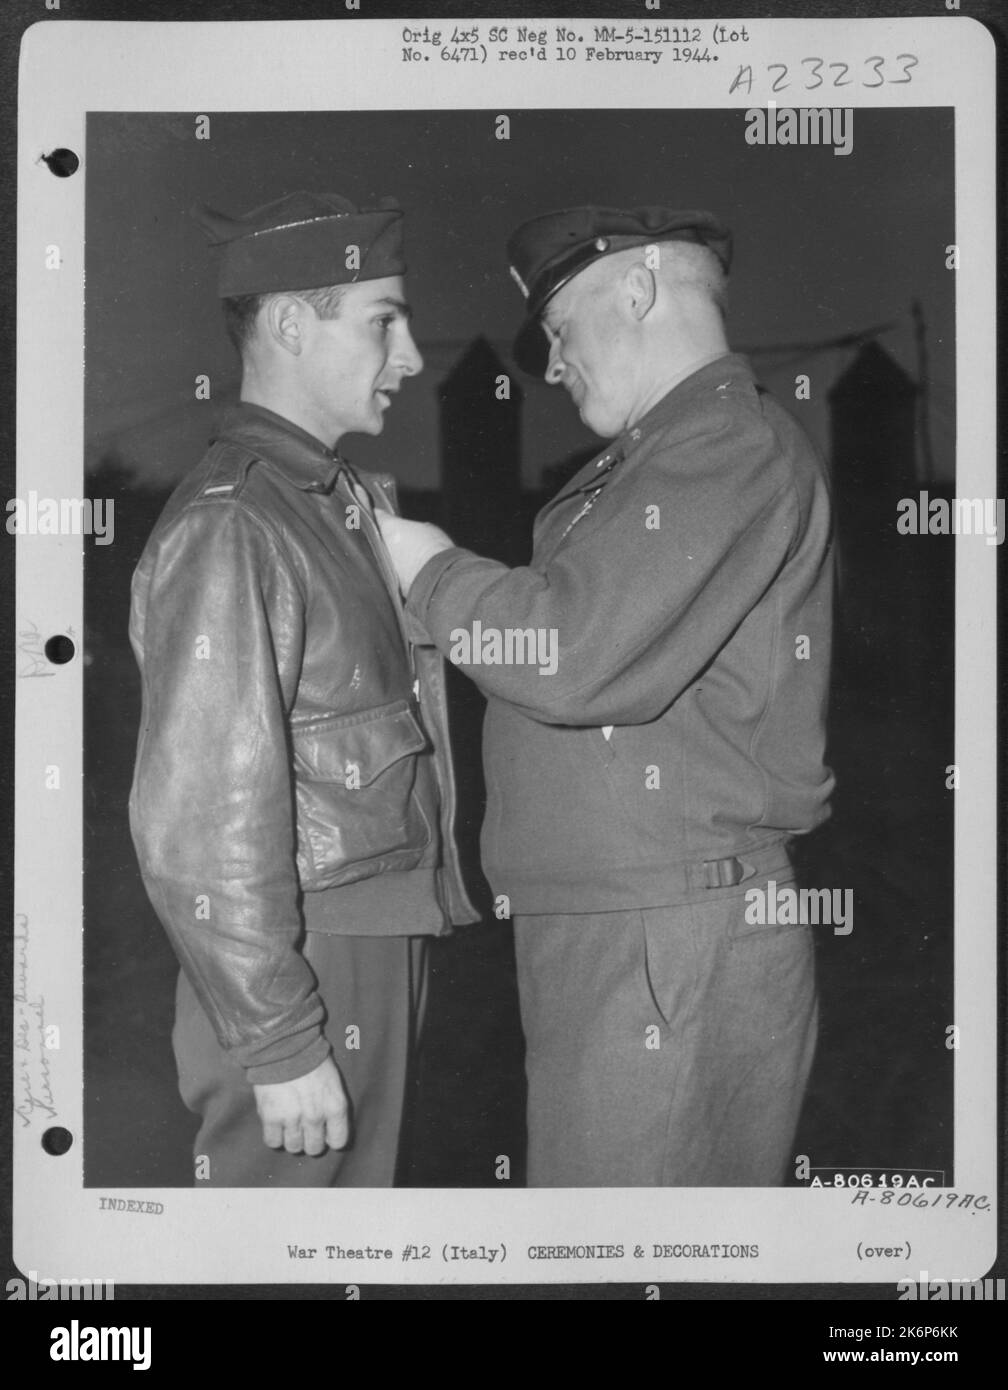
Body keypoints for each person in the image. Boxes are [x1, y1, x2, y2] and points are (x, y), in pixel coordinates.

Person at [376, 205, 835, 1186]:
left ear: (637, 290)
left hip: (662, 931)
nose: (550, 365)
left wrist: (429, 569)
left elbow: (572, 651)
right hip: (631, 924)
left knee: (619, 1260)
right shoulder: (657, 458)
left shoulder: (722, 444)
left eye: (558, 330)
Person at [129, 191, 478, 1187]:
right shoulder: (235, 523)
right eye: (383, 320)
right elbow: (198, 816)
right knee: (277, 1249)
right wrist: (280, 1039)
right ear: (289, 323)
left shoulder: (332, 507)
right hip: (307, 951)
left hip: (362, 930)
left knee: (341, 1247)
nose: (410, 356)